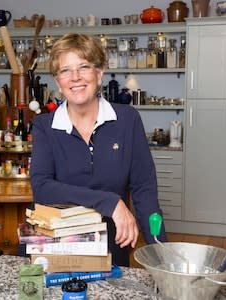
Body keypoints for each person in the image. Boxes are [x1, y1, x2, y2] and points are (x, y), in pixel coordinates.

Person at [29, 33, 166, 266]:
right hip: (56, 246)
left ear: (99, 73)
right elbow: (42, 189)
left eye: (84, 67)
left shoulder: (127, 120)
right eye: (65, 71)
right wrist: (110, 202)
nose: (75, 78)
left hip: (112, 244)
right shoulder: (44, 126)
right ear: (57, 81)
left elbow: (144, 189)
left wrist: (161, 254)